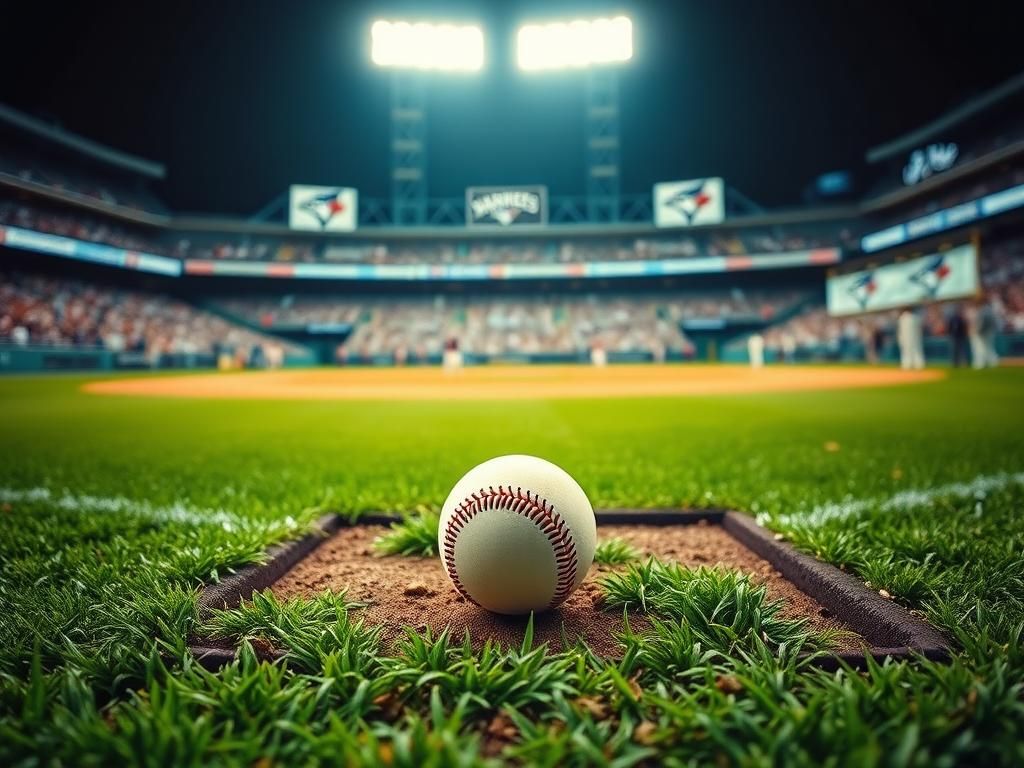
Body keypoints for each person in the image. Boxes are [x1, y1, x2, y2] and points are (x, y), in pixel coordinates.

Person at [973, 297, 1000, 369]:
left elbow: (982, 323)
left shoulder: (983, 310)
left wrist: (977, 331)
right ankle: (991, 362)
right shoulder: (989, 310)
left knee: (984, 348)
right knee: (988, 347)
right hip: (989, 332)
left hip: (984, 332)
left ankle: (985, 363)